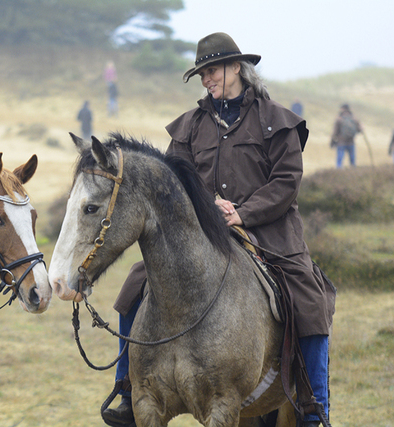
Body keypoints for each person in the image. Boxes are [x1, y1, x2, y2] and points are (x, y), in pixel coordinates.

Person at [101, 32, 335, 427]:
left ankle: (314, 407)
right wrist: (208, 206)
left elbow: (286, 181)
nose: (207, 79)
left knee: (309, 300)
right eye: (202, 74)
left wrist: (243, 213)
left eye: (212, 71)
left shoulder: (277, 120)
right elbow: (175, 183)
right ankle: (127, 389)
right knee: (134, 287)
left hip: (271, 233)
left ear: (236, 68)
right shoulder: (189, 127)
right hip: (205, 230)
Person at [330, 103, 362, 168]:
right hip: (351, 142)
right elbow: (359, 130)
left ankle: (338, 172)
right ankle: (353, 172)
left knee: (339, 161)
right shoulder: (354, 118)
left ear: (342, 109)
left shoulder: (339, 119)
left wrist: (332, 141)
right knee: (352, 161)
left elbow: (335, 132)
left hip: (341, 142)